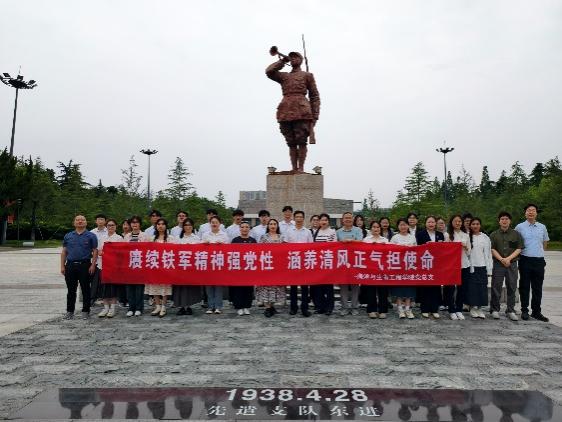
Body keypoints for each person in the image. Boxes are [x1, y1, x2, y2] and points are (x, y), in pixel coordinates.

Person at [266, 50, 320, 173]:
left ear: (301, 60)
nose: (293, 59)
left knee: (301, 140)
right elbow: (269, 72)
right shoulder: (284, 76)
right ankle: (294, 168)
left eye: (296, 57)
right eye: (291, 57)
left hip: (302, 111)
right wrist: (282, 61)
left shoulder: (307, 75)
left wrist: (315, 115)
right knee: (290, 141)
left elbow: (314, 96)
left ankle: (301, 168)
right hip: (285, 110)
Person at [515, 203, 550, 322]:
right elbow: (516, 243)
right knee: (524, 286)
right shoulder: (519, 227)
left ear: (536, 213)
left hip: (539, 260)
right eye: (528, 210)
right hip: (525, 259)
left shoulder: (542, 227)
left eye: (533, 210)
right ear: (525, 213)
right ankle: (524, 310)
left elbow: (545, 243)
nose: (531, 212)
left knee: (537, 287)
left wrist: (539, 253)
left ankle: (536, 312)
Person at [60, 215, 98, 320]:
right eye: (77, 220)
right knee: (71, 290)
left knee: (86, 289)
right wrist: (62, 266)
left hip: (85, 265)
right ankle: (69, 311)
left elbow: (95, 251)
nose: (80, 221)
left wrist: (93, 265)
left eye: (82, 220)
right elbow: (64, 251)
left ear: (86, 222)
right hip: (70, 265)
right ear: (74, 223)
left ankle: (86, 311)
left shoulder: (91, 236)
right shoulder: (68, 235)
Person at [489, 211, 523, 321]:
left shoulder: (516, 234)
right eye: (502, 219)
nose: (504, 221)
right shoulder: (494, 234)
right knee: (496, 286)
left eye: (506, 219)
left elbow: (519, 248)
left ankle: (510, 310)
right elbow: (492, 249)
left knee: (512, 286)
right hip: (498, 264)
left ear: (510, 221)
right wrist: (501, 259)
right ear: (499, 221)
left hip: (512, 264)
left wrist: (508, 259)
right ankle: (494, 309)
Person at [415, 216, 445, 319]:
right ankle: (424, 309)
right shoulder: (420, 234)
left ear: (435, 223)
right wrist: (426, 245)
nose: (431, 224)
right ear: (425, 223)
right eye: (429, 222)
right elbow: (417, 248)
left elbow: (443, 249)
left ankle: (434, 309)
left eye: (433, 222)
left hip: (436, 264)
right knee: (425, 287)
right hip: (425, 263)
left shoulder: (440, 234)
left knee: (435, 287)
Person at [286, 210, 314, 317]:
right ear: (294, 218)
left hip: (304, 263)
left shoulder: (307, 232)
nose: (299, 219)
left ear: (303, 218)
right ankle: (293, 308)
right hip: (293, 262)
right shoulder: (289, 231)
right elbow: (285, 246)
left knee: (304, 287)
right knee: (293, 287)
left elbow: (311, 247)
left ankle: (304, 308)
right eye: (297, 217)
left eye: (300, 217)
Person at [173, 218, 203, 316]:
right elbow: (173, 251)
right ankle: (181, 307)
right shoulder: (178, 238)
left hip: (192, 267)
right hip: (180, 267)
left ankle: (189, 306)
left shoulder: (196, 238)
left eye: (190, 225)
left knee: (190, 287)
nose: (188, 227)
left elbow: (200, 252)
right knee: (180, 288)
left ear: (192, 226)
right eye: (186, 225)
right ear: (183, 227)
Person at [257, 219, 286, 317]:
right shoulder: (264, 237)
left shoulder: (281, 237)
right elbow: (259, 250)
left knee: (276, 286)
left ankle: (272, 306)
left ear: (277, 226)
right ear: (268, 226)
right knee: (266, 286)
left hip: (278, 266)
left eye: (274, 224)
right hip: (266, 265)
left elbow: (285, 251)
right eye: (271, 224)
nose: (273, 225)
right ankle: (267, 307)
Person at [444, 214, 471, 321]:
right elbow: (444, 251)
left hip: (464, 264)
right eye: (455, 221)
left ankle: (459, 309)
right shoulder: (447, 235)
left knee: (462, 288)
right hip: (451, 265)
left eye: (459, 221)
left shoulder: (466, 235)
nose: (458, 223)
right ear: (451, 223)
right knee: (450, 288)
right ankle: (451, 309)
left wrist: (465, 247)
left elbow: (469, 252)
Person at [147, 218, 176, 318]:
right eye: (159, 224)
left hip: (166, 266)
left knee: (165, 286)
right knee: (154, 286)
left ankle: (164, 306)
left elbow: (174, 251)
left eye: (163, 224)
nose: (161, 226)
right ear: (156, 226)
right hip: (154, 266)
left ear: (166, 226)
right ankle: (157, 306)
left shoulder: (170, 238)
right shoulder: (151, 239)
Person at [336, 212, 364, 316]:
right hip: (342, 261)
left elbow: (360, 242)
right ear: (342, 220)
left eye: (349, 218)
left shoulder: (358, 230)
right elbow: (335, 245)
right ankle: (344, 307)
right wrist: (342, 242)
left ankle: (354, 307)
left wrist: (350, 241)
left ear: (353, 219)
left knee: (355, 285)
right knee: (343, 285)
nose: (348, 219)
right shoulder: (338, 232)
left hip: (355, 261)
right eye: (346, 218)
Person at [123, 215, 151, 317]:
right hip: (129, 265)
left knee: (139, 287)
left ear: (140, 224)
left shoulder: (145, 236)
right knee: (129, 287)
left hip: (140, 265)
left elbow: (149, 250)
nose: (134, 224)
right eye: (133, 222)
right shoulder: (127, 236)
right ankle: (131, 308)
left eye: (136, 222)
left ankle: (139, 308)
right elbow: (123, 250)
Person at [201, 216, 229, 314]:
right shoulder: (205, 235)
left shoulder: (224, 235)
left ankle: (218, 306)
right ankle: (210, 306)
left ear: (220, 224)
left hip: (219, 264)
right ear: (210, 224)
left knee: (218, 286)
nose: (214, 224)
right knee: (209, 287)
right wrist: (204, 244)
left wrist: (222, 245)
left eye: (216, 222)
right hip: (208, 264)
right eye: (212, 222)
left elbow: (229, 250)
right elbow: (199, 249)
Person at [390, 218, 417, 319]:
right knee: (399, 289)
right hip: (398, 266)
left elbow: (417, 251)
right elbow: (390, 251)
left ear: (408, 226)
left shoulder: (412, 237)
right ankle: (400, 309)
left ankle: (408, 309)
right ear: (398, 226)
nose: (403, 227)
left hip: (410, 266)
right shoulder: (395, 237)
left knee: (409, 289)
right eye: (401, 225)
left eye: (405, 224)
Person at [311, 213, 337, 315]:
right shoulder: (315, 232)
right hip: (317, 263)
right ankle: (320, 307)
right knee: (318, 287)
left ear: (328, 221)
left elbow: (334, 246)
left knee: (328, 287)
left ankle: (329, 307)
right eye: (322, 220)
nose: (323, 222)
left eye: (325, 220)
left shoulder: (332, 232)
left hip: (328, 261)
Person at [467, 217, 493, 319]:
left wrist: (489, 268)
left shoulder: (485, 237)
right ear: (470, 226)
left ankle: (479, 308)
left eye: (477, 224)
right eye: (473, 224)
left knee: (482, 288)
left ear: (480, 225)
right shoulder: (467, 237)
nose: (475, 226)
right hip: (472, 267)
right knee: (473, 288)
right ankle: (473, 308)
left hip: (482, 266)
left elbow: (488, 253)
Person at [97, 219, 123, 318]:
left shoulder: (119, 238)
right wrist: (102, 253)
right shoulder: (102, 237)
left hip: (114, 267)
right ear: (106, 226)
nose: (110, 227)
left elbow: (121, 253)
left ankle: (112, 307)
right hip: (103, 266)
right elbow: (98, 251)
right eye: (109, 225)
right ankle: (105, 307)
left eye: (112, 225)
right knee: (104, 288)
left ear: (116, 226)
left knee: (113, 288)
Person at [363, 221, 389, 319]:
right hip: (370, 269)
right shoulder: (366, 240)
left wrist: (384, 247)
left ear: (380, 229)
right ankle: (371, 310)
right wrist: (370, 247)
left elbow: (390, 253)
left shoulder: (385, 240)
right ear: (371, 229)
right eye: (374, 227)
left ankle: (383, 310)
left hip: (382, 269)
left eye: (378, 227)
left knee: (383, 291)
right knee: (371, 291)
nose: (376, 229)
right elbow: (362, 253)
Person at [230, 221, 256, 316]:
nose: (244, 229)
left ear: (249, 229)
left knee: (248, 289)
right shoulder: (235, 240)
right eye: (242, 227)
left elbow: (256, 254)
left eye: (246, 227)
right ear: (240, 229)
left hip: (249, 268)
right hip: (238, 269)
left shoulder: (253, 240)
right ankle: (239, 307)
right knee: (238, 288)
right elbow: (231, 254)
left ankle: (247, 306)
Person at [89, 213, 108, 305]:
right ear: (96, 221)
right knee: (94, 279)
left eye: (102, 219)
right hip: (95, 259)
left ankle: (103, 297)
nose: (100, 221)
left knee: (104, 279)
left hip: (107, 259)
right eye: (98, 219)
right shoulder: (92, 232)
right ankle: (93, 297)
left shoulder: (108, 231)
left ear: (105, 221)